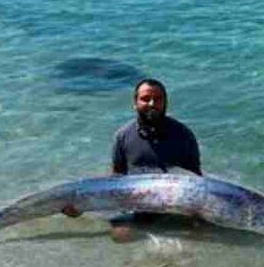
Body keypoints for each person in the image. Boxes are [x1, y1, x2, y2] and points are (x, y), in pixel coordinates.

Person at [62, 78, 202, 230]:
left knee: (200, 230)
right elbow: (117, 179)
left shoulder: (184, 135)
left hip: (176, 204)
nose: (152, 104)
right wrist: (82, 206)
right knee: (121, 236)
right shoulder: (122, 136)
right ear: (135, 103)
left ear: (165, 103)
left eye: (158, 99)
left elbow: (195, 179)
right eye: (145, 99)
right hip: (138, 205)